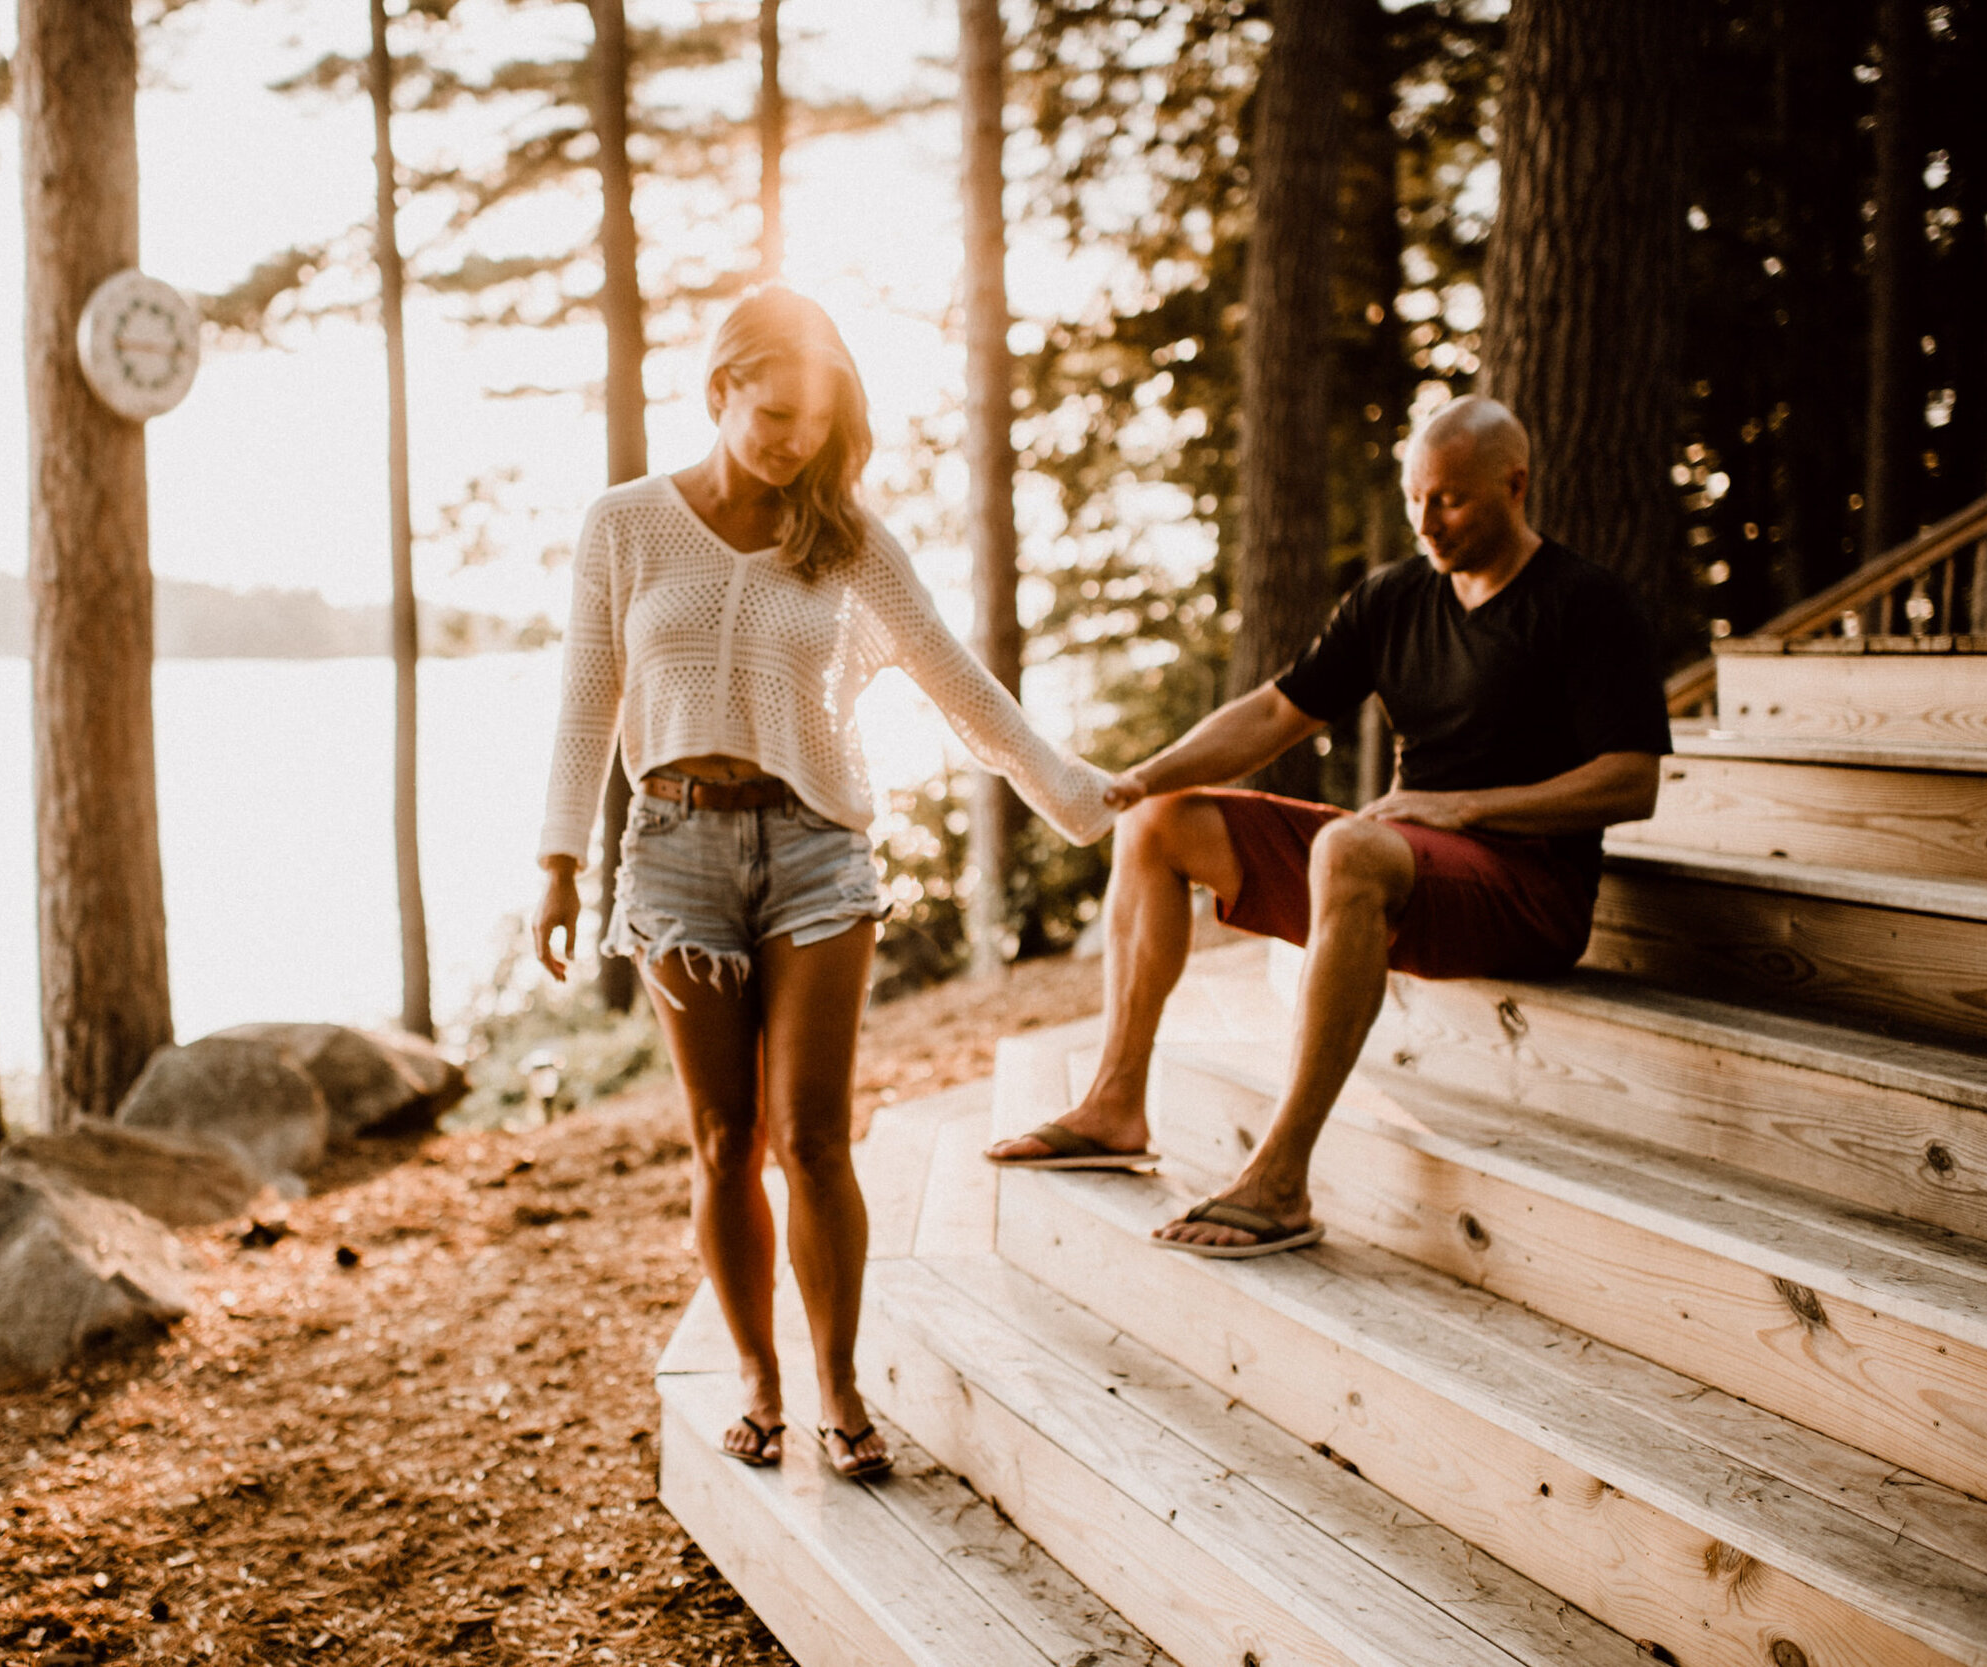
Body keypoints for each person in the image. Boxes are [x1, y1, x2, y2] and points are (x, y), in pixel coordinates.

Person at [531, 287, 1115, 1479]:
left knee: (811, 1135)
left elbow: (961, 687)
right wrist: (558, 863)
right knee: (721, 1136)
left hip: (815, 852)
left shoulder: (844, 535)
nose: (794, 438)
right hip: (674, 851)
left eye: (817, 420)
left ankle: (841, 1383)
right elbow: (586, 700)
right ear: (720, 388)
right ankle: (757, 1376)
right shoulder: (625, 523)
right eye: (775, 411)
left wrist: (1076, 793)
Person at [985, 394, 1671, 1256]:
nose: (1426, 520)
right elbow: (1276, 714)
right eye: (1415, 496)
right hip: (1406, 857)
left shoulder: (1586, 603)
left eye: (1450, 499)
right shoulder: (1393, 598)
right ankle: (1115, 1103)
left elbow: (1631, 780)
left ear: (1516, 483)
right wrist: (1142, 780)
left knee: (1350, 843)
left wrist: (1465, 808)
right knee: (1161, 826)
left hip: (1528, 889)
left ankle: (1281, 1176)